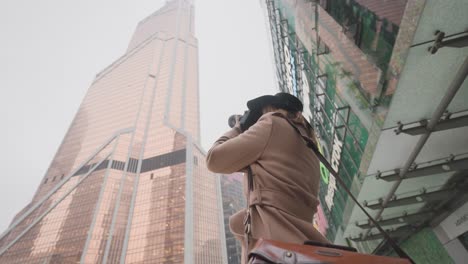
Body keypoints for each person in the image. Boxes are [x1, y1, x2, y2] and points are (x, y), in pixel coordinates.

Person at [206, 92, 329, 263]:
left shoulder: (272, 122)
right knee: (237, 221)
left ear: (272, 108)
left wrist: (238, 128)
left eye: (261, 112)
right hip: (300, 241)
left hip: (278, 247)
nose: (259, 118)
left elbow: (214, 159)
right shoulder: (306, 143)